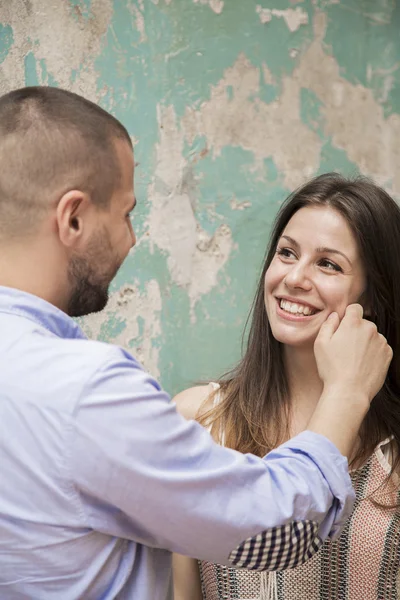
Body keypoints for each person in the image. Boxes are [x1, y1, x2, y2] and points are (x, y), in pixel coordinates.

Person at [0, 87, 391, 600]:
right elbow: (280, 529)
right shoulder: (112, 396)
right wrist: (348, 393)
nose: (132, 240)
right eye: (125, 214)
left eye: (328, 263)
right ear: (72, 217)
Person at [173, 173, 400, 600]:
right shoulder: (198, 422)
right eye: (287, 253)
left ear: (373, 297)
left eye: (328, 264)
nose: (294, 277)